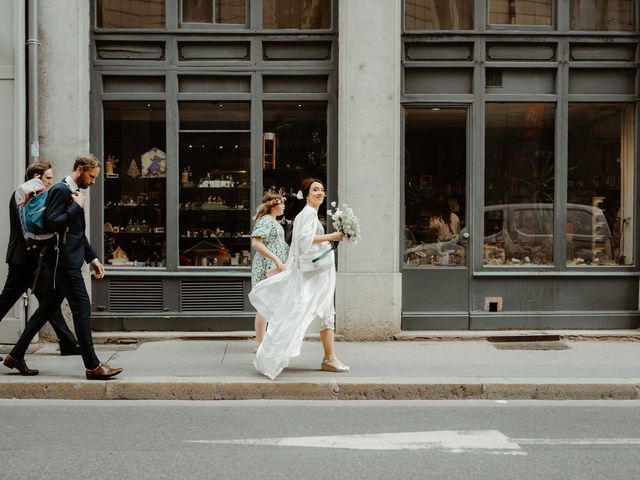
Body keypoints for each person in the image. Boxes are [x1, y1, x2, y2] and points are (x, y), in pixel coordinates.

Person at [4, 155, 123, 380]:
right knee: (82, 308)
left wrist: (93, 258)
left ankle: (16, 355)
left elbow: (76, 233)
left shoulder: (73, 192)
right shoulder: (61, 190)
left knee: (47, 307)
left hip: (69, 259)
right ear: (80, 169)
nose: (94, 181)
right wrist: (76, 208)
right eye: (92, 176)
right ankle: (93, 366)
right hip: (63, 262)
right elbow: (53, 223)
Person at [250, 178, 349, 380]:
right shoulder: (308, 214)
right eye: (315, 190)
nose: (320, 193)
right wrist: (333, 236)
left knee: (323, 313)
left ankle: (330, 358)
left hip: (318, 274)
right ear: (306, 194)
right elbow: (305, 241)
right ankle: (328, 359)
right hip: (314, 276)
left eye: (322, 189)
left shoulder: (308, 214)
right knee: (316, 312)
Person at [0, 162, 80, 368]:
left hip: (31, 258)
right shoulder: (31, 195)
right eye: (48, 178)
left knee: (49, 302)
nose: (51, 182)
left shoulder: (22, 195)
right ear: (37, 176)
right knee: (7, 303)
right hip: (25, 260)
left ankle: (68, 342)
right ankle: (65, 343)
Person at [250, 192, 289, 351]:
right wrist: (276, 259)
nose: (284, 205)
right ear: (274, 204)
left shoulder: (274, 222)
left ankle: (265, 342)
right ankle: (259, 343)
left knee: (271, 304)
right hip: (268, 266)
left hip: (274, 267)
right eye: (282, 202)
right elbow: (256, 244)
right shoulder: (266, 220)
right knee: (264, 305)